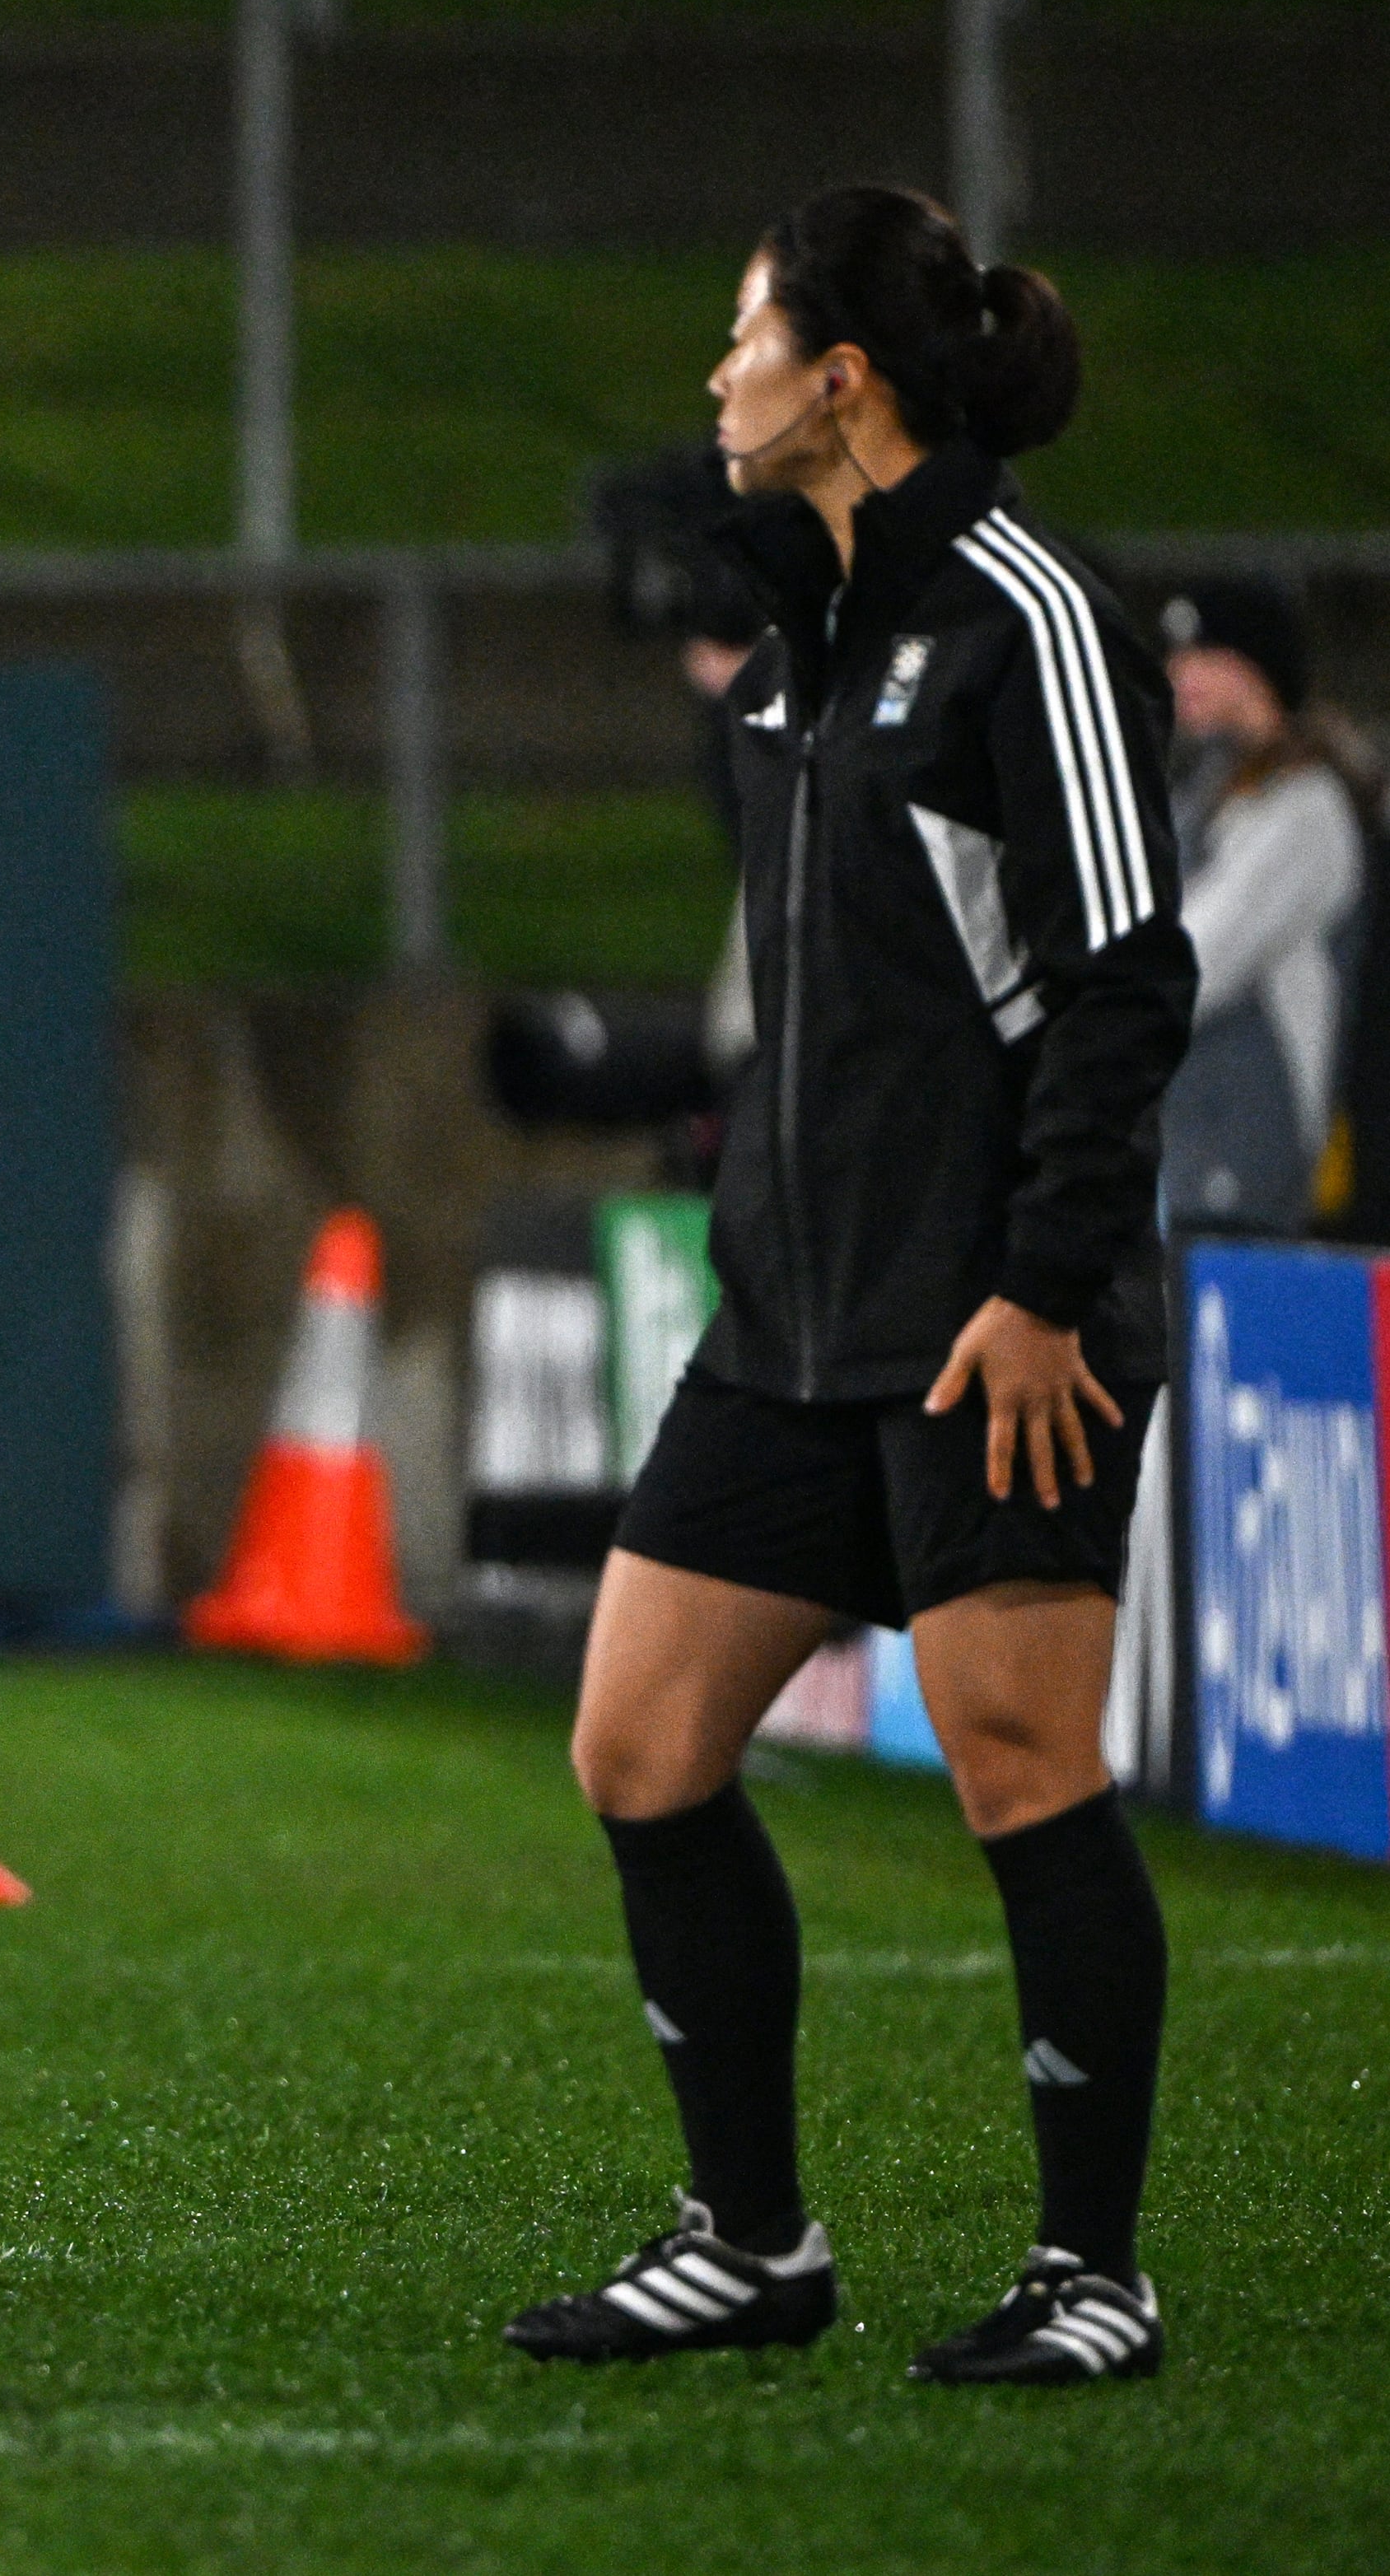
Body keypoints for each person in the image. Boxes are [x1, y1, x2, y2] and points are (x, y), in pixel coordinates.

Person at [505, 186, 1192, 2385]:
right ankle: (752, 2237)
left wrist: (1049, 1282)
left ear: (843, 380)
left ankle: (1098, 2269)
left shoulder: (1028, 613)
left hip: (995, 1314)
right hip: (792, 1320)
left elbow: (1123, 984)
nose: (713, 376)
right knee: (638, 1740)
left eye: (741, 334)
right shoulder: (799, 640)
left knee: (1020, 1764)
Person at [1150, 578, 1362, 1234]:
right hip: (1184, 1158)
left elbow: (1198, 959)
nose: (1180, 672)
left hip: (1246, 1160)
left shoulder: (1304, 806)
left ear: (1257, 669)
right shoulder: (1202, 798)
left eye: (1205, 653)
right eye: (1176, 655)